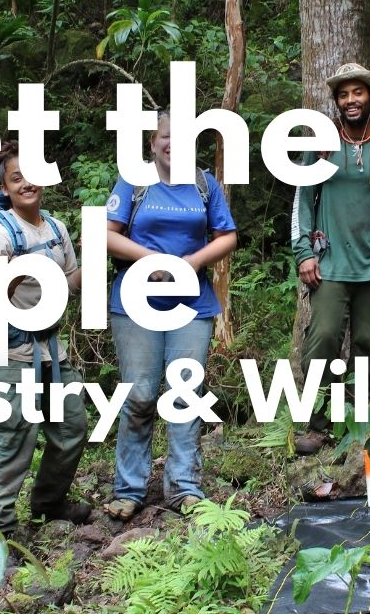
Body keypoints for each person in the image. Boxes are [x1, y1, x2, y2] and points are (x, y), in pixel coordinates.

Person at [103, 111, 237, 520]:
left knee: (185, 395)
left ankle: (184, 487)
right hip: (135, 303)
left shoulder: (203, 184)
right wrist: (153, 260)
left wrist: (192, 262)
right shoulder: (134, 181)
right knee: (139, 394)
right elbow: (107, 234)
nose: (172, 143)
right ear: (152, 142)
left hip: (191, 304)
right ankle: (128, 488)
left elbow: (227, 236)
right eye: (165, 136)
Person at [291, 62, 370, 454]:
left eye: (357, 93)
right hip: (328, 263)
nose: (351, 100)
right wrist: (303, 254)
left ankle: (361, 420)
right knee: (324, 337)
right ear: (336, 101)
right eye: (343, 94)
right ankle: (313, 422)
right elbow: (301, 203)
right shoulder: (322, 146)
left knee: (369, 342)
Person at [0, 141, 90, 536]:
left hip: (50, 348)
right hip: (9, 349)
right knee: (11, 439)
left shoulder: (56, 228)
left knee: (71, 425)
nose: (26, 184)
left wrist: (90, 268)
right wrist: (18, 277)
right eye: (16, 178)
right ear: (5, 188)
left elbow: (70, 281)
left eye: (31, 175)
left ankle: (49, 504)